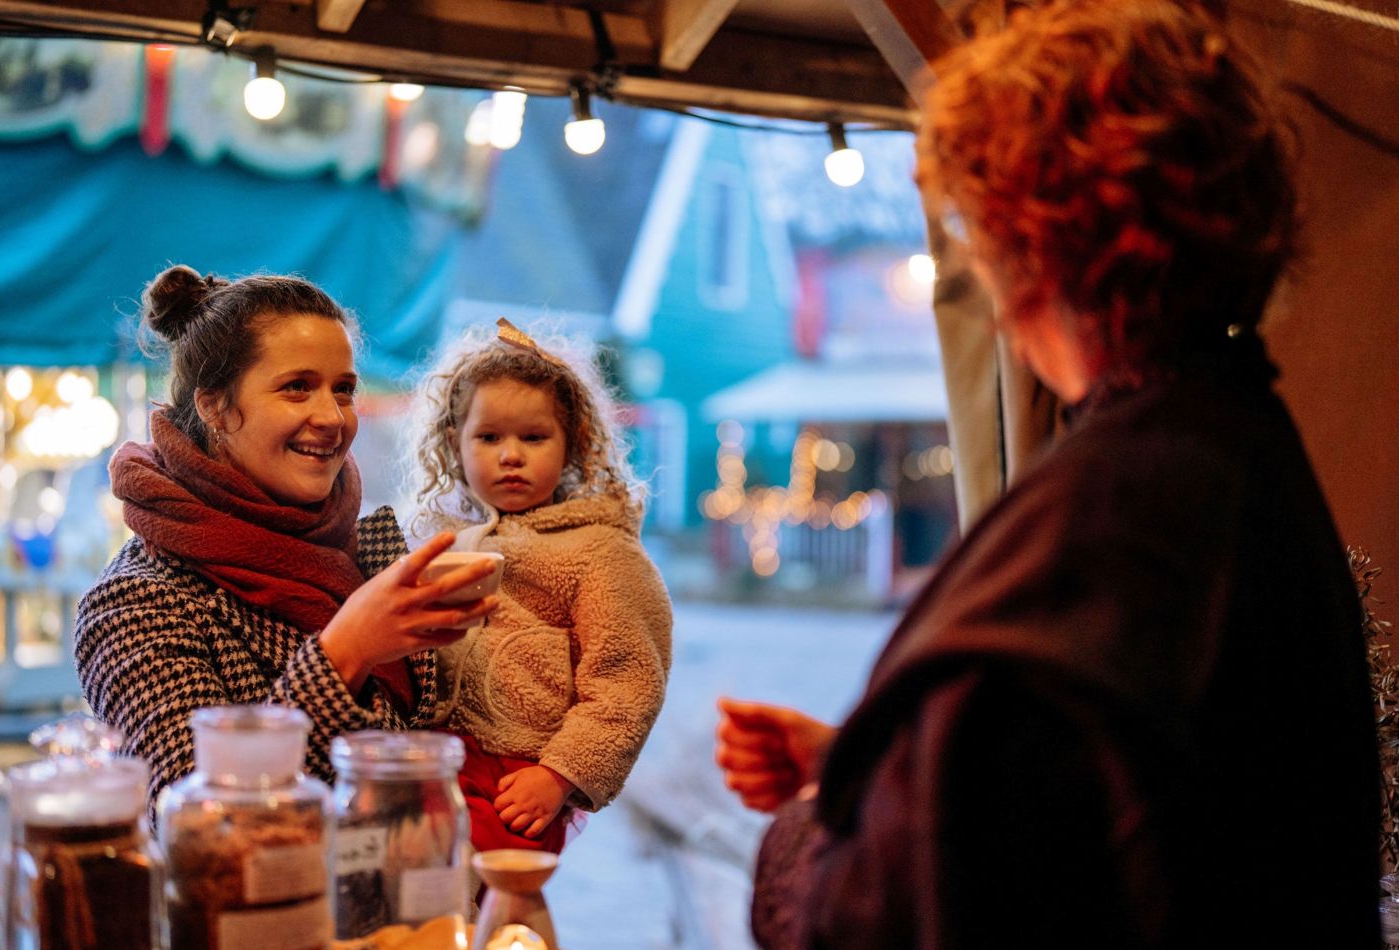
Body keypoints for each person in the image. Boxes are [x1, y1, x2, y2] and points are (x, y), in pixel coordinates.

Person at [716, 2, 1380, 946]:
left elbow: (880, 914)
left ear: (1021, 236)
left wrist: (818, 817)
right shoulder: (1240, 450)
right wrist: (888, 762)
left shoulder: (1113, 519)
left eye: (968, 214)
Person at [75, 265, 497, 804]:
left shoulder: (369, 552)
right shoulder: (136, 602)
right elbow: (198, 819)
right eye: (297, 388)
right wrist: (346, 651)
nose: (332, 417)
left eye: (343, 390)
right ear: (216, 406)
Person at [409, 319, 672, 854]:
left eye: (534, 437)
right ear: (454, 444)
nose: (511, 455)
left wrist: (560, 774)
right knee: (423, 892)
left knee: (497, 893)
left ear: (571, 445)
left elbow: (627, 680)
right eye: (488, 437)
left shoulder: (599, 549)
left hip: (522, 770)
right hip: (435, 754)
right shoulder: (441, 539)